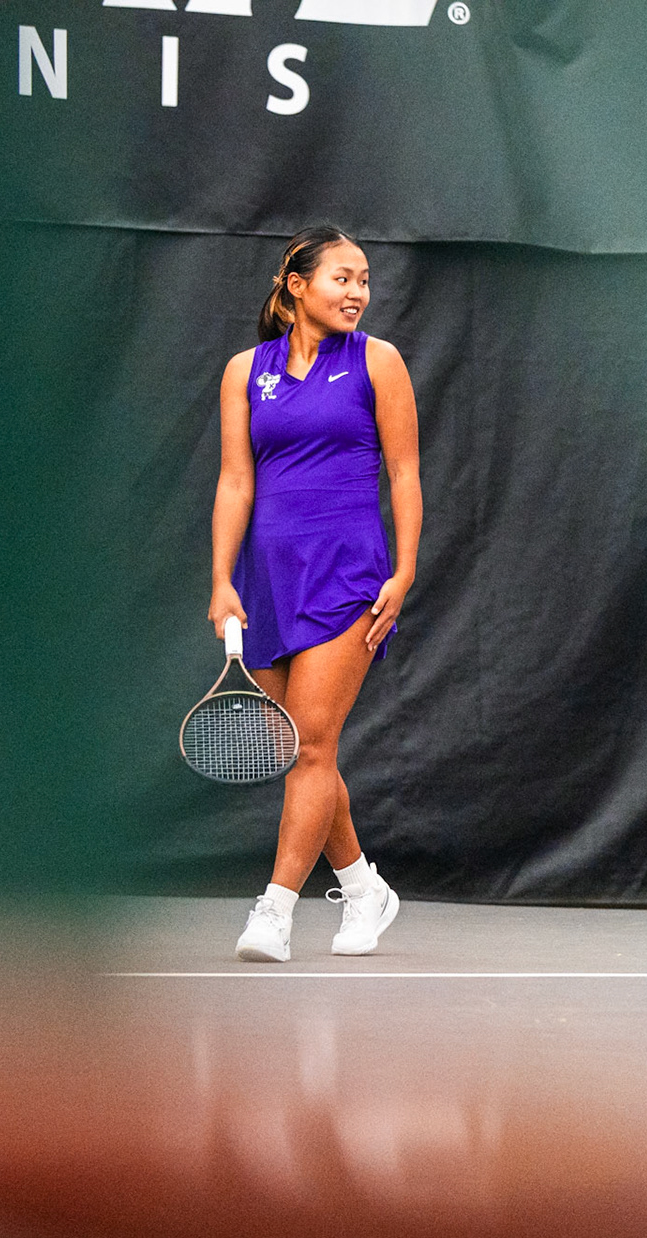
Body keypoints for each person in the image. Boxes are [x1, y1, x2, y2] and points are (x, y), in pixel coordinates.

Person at [208, 226, 422, 962]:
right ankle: (364, 889)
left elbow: (405, 475)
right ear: (297, 285)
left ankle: (274, 909)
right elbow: (237, 480)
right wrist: (221, 582)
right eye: (342, 277)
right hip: (267, 580)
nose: (357, 291)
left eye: (364, 279)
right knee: (301, 750)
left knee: (311, 743)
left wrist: (404, 571)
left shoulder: (378, 362)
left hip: (350, 575)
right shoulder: (246, 371)